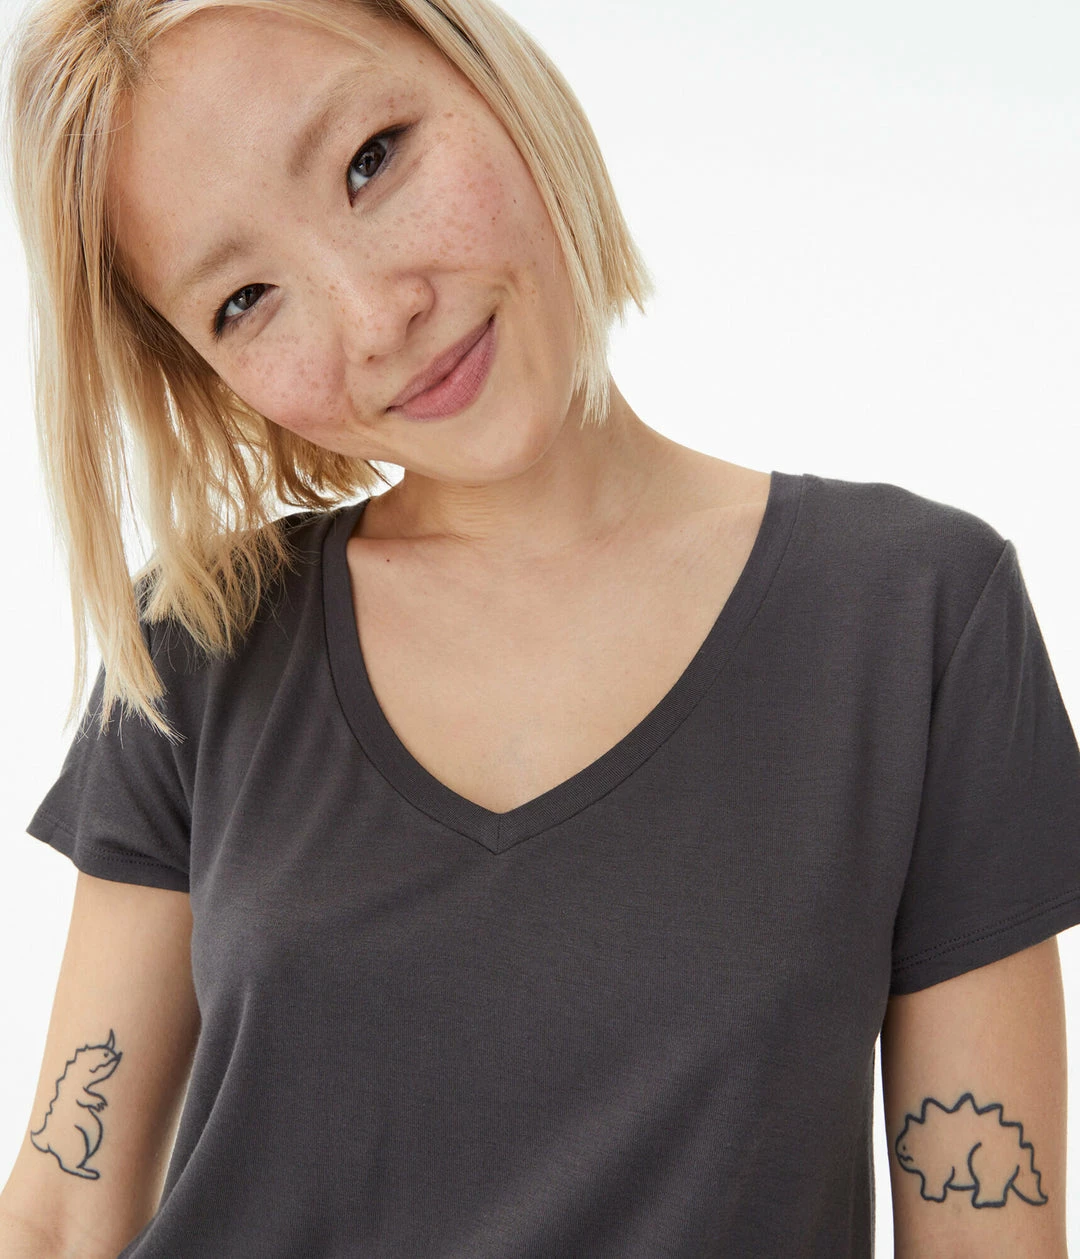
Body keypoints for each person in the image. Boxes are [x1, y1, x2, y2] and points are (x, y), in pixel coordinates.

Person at [0, 0, 1077, 1255]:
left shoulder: (918, 615)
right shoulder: (199, 641)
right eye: (244, 299)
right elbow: (61, 1216)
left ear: (490, 75)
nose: (375, 316)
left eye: (371, 160)